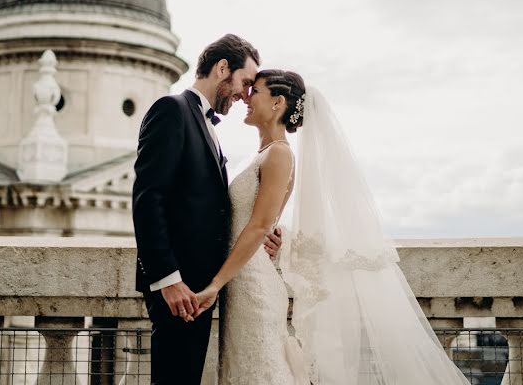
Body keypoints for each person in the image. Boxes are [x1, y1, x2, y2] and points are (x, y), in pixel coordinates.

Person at [194, 70, 472, 385]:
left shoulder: (280, 155)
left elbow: (259, 226)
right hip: (241, 279)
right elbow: (262, 222)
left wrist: (215, 283)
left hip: (251, 285)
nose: (245, 96)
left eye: (254, 91)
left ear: (278, 103)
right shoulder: (260, 156)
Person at [132, 34, 282, 385]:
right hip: (179, 290)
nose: (246, 94)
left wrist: (262, 234)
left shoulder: (206, 124)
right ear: (222, 69)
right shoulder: (172, 110)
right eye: (245, 83)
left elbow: (211, 208)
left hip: (197, 290)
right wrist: (167, 280)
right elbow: (147, 199)